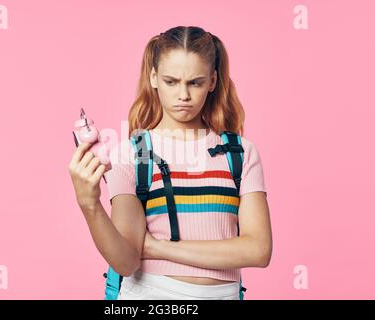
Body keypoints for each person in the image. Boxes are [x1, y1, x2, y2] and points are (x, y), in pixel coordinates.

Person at [68, 26, 272, 300]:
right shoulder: (133, 153)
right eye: (171, 81)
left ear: (212, 81)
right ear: (153, 78)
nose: (183, 95)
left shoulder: (240, 153)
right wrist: (89, 204)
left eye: (195, 82)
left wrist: (157, 248)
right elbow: (126, 262)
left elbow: (259, 251)